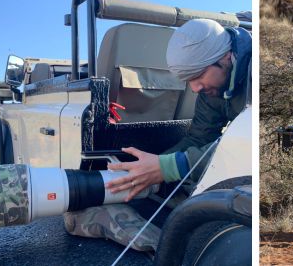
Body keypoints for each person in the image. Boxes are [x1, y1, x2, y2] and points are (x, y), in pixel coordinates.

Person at [62, 18, 252, 251]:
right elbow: (199, 138)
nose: (195, 88)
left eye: (198, 76)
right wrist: (153, 169)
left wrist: (169, 167)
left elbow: (244, 148)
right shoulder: (212, 89)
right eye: (188, 80)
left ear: (225, 57)